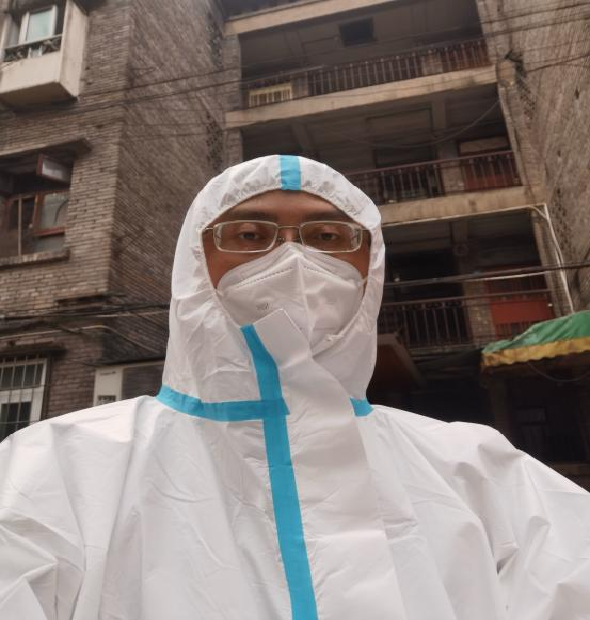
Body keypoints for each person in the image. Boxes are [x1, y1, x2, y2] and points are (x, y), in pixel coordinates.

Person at [0, 155, 589, 620]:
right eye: (249, 234)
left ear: (370, 266)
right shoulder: (56, 468)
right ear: (194, 261)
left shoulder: (480, 468)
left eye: (328, 237)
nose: (292, 258)